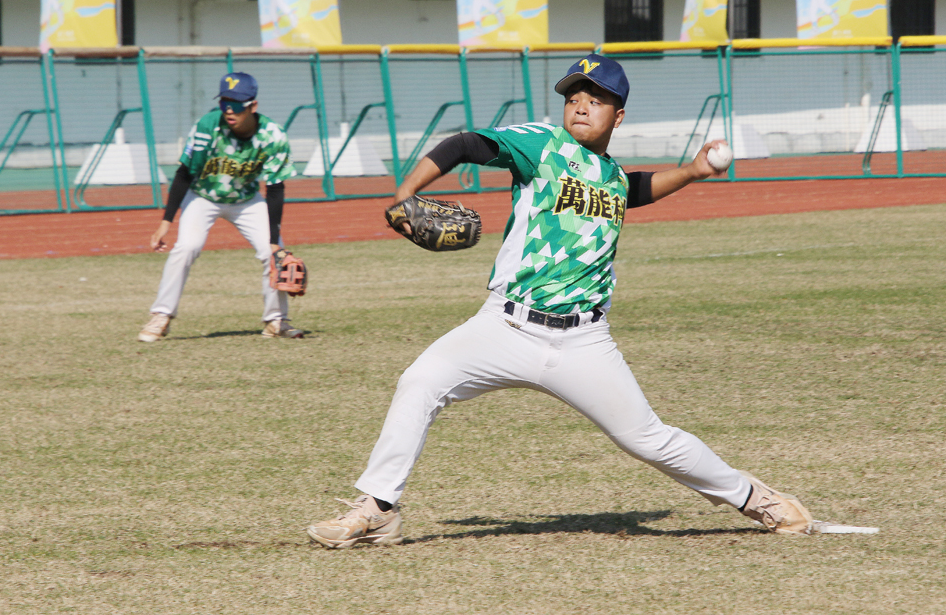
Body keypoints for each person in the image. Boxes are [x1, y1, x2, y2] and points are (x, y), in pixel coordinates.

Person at [306, 54, 814, 549]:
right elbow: (466, 143)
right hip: (504, 328)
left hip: (582, 342)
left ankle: (755, 497)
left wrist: (692, 172)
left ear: (618, 115)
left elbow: (629, 190)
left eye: (597, 99)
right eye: (574, 96)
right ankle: (378, 508)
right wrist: (406, 192)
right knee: (420, 381)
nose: (581, 105)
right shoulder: (542, 146)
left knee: (648, 439)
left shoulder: (610, 174)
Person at [138, 72, 304, 342]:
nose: (229, 110)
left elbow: (275, 189)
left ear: (253, 106)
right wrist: (165, 222)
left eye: (237, 104)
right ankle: (161, 316)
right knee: (186, 247)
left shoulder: (273, 135)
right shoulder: (208, 125)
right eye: (225, 102)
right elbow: (184, 173)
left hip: (247, 200)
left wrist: (274, 242)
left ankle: (277, 321)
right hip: (203, 196)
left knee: (273, 253)